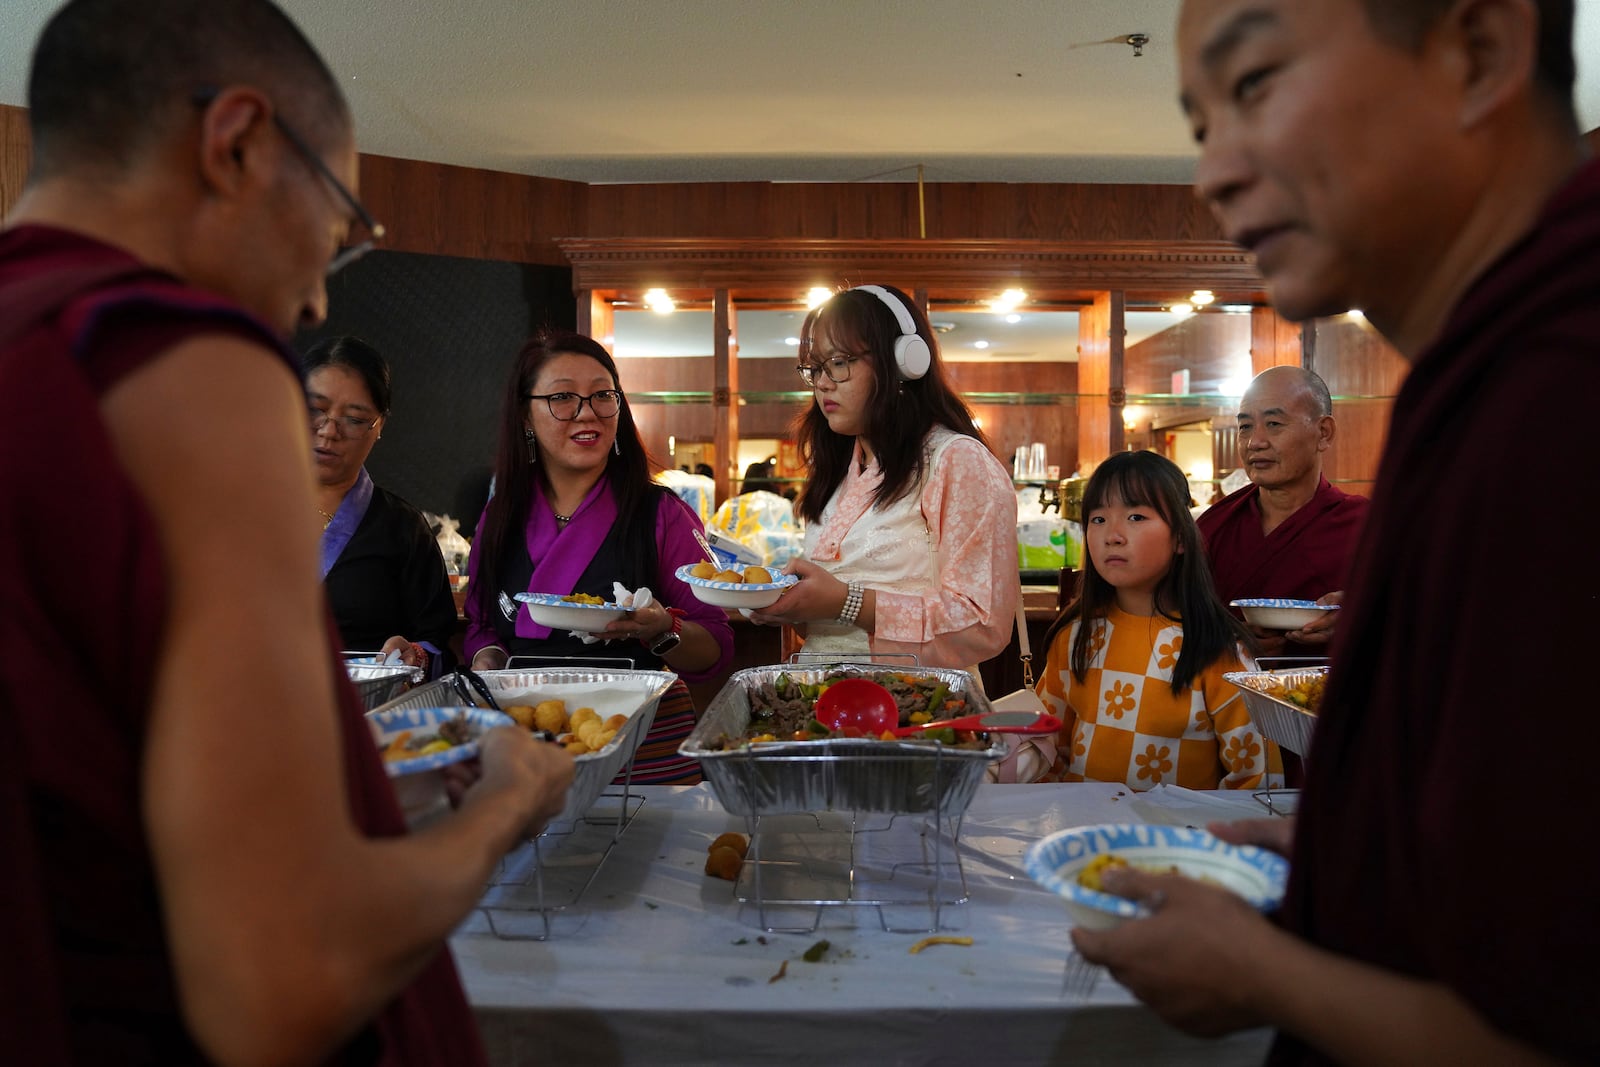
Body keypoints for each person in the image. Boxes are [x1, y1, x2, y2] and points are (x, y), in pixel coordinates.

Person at [0, 2, 575, 1063]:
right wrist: (506, 801)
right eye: (337, 228)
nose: (314, 292)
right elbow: (282, 978)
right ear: (239, 142)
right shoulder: (179, 361)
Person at [1073, 1, 1599, 1063]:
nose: (1211, 174)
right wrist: (1355, 842)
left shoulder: (1564, 393)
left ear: (1479, 49)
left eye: (1255, 84)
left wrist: (1261, 971)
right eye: (1198, 122)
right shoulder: (1482, 382)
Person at [464, 329, 735, 783]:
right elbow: (482, 626)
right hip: (531, 745)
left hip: (644, 751)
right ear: (525, 417)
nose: (587, 413)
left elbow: (715, 652)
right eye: (563, 398)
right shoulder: (500, 517)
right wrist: (487, 661)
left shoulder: (664, 513)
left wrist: (662, 629)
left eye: (602, 395)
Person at [749, 286, 1018, 670]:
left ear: (904, 362)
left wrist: (847, 601)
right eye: (815, 368)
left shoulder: (956, 461)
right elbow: (830, 628)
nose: (823, 383)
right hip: (821, 699)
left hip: (916, 708)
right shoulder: (840, 471)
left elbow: (981, 625)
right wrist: (791, 608)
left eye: (839, 362)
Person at [1036, 451, 1280, 791]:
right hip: (1078, 839)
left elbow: (1258, 782)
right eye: (1098, 519)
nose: (1113, 535)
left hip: (1175, 842)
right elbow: (1044, 749)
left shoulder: (1218, 651)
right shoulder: (1074, 636)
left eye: (1136, 517)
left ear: (1181, 537)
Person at [304, 335, 457, 673]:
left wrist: (413, 656)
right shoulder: (239, 513)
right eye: (316, 410)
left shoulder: (404, 530)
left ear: (379, 426)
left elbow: (437, 643)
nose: (329, 431)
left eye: (355, 419)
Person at [1198, 366, 1368, 658]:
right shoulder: (1214, 525)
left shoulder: (1366, 527)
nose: (1255, 442)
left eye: (1274, 423)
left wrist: (1359, 616)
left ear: (1323, 433)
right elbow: (1173, 619)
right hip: (1223, 698)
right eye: (1245, 427)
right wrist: (1227, 639)